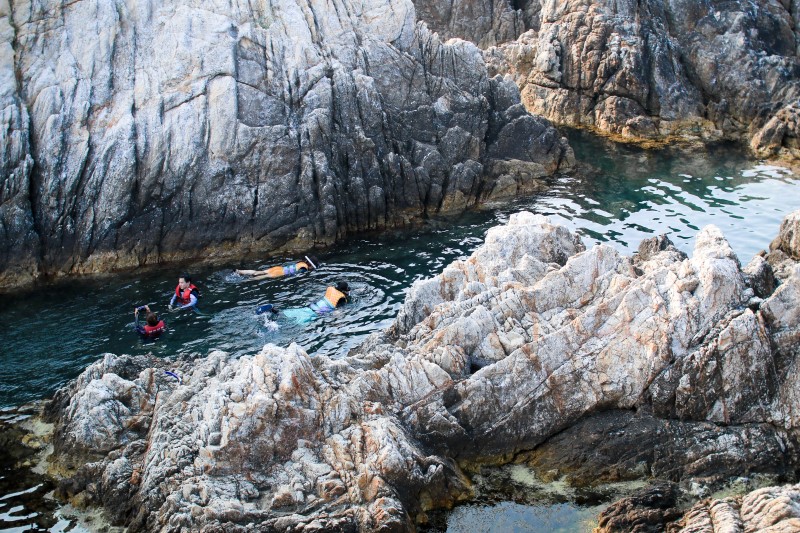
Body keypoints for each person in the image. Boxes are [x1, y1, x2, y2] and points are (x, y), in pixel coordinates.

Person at [257, 282, 351, 323]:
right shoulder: (342, 299)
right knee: (294, 322)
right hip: (314, 313)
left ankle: (273, 310)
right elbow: (337, 312)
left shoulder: (331, 289)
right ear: (344, 291)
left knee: (287, 314)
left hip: (309, 307)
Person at [237, 256, 319, 280]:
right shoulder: (304, 269)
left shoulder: (300, 263)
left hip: (278, 268)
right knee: (263, 277)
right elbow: (296, 274)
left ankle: (239, 271)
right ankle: (246, 280)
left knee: (257, 272)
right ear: (311, 265)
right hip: (280, 273)